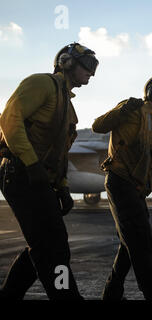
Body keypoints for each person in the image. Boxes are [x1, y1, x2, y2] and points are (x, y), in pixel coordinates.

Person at [0, 42, 99, 300]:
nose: (92, 72)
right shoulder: (41, 84)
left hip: (38, 178)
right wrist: (32, 164)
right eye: (88, 66)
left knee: (45, 245)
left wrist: (63, 186)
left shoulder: (68, 106)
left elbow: (59, 153)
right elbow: (10, 120)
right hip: (20, 173)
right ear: (66, 62)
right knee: (53, 248)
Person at [92, 73, 152, 300]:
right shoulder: (131, 109)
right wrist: (122, 109)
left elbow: (150, 164)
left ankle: (112, 294)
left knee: (130, 243)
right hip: (120, 183)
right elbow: (98, 126)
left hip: (136, 189)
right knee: (141, 246)